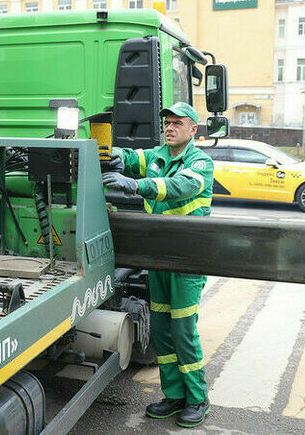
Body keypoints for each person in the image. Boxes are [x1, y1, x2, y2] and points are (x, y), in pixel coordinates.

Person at [102, 102, 214, 428]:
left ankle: (197, 398)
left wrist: (136, 185)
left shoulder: (200, 162)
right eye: (167, 122)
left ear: (193, 130)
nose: (170, 127)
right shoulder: (158, 156)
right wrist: (109, 153)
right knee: (163, 331)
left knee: (182, 330)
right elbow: (131, 157)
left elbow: (179, 187)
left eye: (178, 123)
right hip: (158, 258)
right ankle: (174, 395)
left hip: (186, 259)